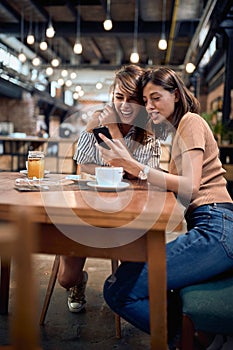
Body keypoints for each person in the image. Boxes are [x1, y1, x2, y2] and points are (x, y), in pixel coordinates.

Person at [97, 66, 233, 348]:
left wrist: (137, 167)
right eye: (145, 101)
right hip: (211, 228)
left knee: (118, 290)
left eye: (155, 97)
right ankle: (193, 334)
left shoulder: (191, 122)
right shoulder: (179, 131)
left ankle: (188, 340)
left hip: (216, 229)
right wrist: (131, 167)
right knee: (127, 277)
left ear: (176, 93)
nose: (149, 106)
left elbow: (191, 186)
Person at [57, 64, 161, 314]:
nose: (125, 105)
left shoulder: (148, 133)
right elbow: (83, 165)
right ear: (111, 97)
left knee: (134, 274)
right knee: (65, 280)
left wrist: (114, 131)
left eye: (132, 99)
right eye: (119, 97)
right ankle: (78, 280)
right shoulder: (95, 122)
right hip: (88, 206)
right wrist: (121, 171)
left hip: (130, 210)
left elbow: (145, 176)